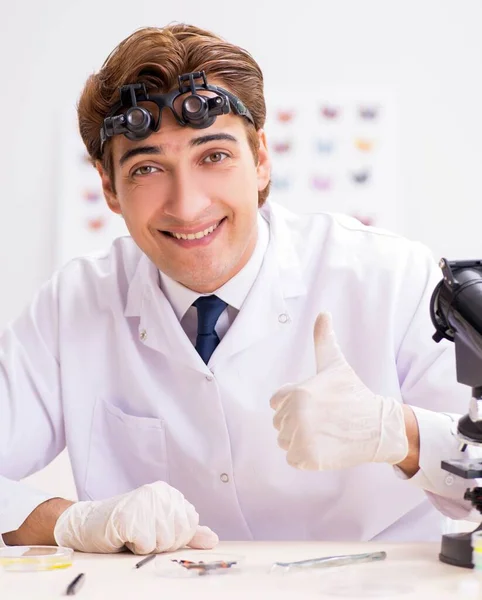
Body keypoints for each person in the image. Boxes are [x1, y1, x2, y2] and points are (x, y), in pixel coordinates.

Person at [0, 23, 479, 555]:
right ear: (109, 187)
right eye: (148, 168)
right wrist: (72, 523)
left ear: (261, 159)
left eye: (214, 156)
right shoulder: (74, 306)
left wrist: (402, 436)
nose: (187, 206)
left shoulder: (389, 278)